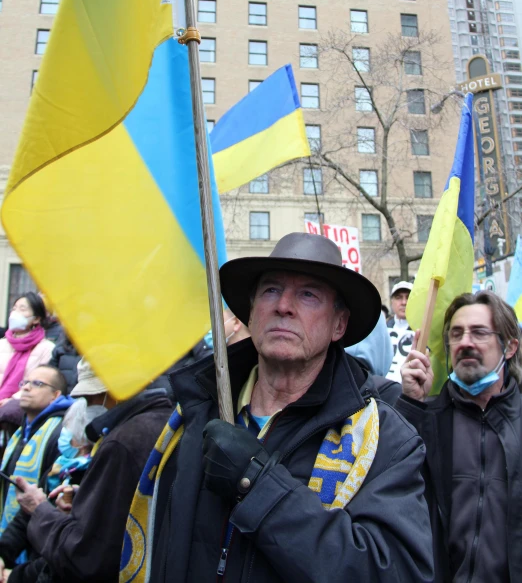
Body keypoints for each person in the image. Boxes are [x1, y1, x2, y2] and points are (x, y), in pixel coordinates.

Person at [122, 232, 434, 582]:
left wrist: (255, 484)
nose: (283, 305)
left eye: (308, 295)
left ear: (339, 325)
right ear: (251, 314)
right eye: (270, 290)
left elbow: (393, 571)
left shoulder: (387, 441)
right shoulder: (195, 414)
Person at [397, 290, 522, 582]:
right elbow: (392, 491)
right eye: (456, 333)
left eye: (479, 332)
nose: (465, 342)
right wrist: (412, 406)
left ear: (510, 346)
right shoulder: (427, 421)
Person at [11, 359, 172, 583]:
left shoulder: (122, 441)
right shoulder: (164, 421)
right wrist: (84, 499)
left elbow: (86, 556)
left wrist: (39, 510)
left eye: (89, 397)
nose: (85, 404)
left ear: (113, 391)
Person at [0, 365, 71, 548]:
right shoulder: (21, 432)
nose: (26, 387)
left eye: (37, 384)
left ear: (55, 395)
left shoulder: (62, 433)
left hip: (37, 541)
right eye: (24, 382)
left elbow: (49, 492)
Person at [0, 295, 55, 427]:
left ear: (36, 318)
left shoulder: (46, 348)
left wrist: (13, 400)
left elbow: (41, 383)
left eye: (22, 309)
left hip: (22, 403)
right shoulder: (2, 344)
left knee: (9, 411)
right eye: (14, 309)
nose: (15, 313)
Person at [386, 281, 414, 382]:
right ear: (392, 302)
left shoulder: (422, 331)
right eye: (399, 297)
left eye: (408, 297)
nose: (404, 302)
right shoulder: (383, 329)